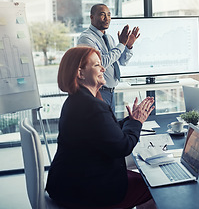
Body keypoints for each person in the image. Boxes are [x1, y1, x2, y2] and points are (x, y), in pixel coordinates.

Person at [46, 46, 155, 209]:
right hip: (85, 190)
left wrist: (130, 120)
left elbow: (103, 131)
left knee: (143, 178)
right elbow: (123, 147)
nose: (103, 68)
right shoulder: (91, 106)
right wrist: (137, 122)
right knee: (154, 186)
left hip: (68, 184)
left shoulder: (78, 100)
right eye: (97, 65)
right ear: (80, 73)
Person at [78, 3, 140, 111]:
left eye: (109, 15)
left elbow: (122, 61)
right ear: (92, 17)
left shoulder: (109, 38)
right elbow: (101, 64)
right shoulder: (86, 38)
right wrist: (121, 45)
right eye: (102, 14)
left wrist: (128, 46)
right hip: (98, 92)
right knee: (102, 126)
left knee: (110, 125)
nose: (107, 18)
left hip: (111, 92)